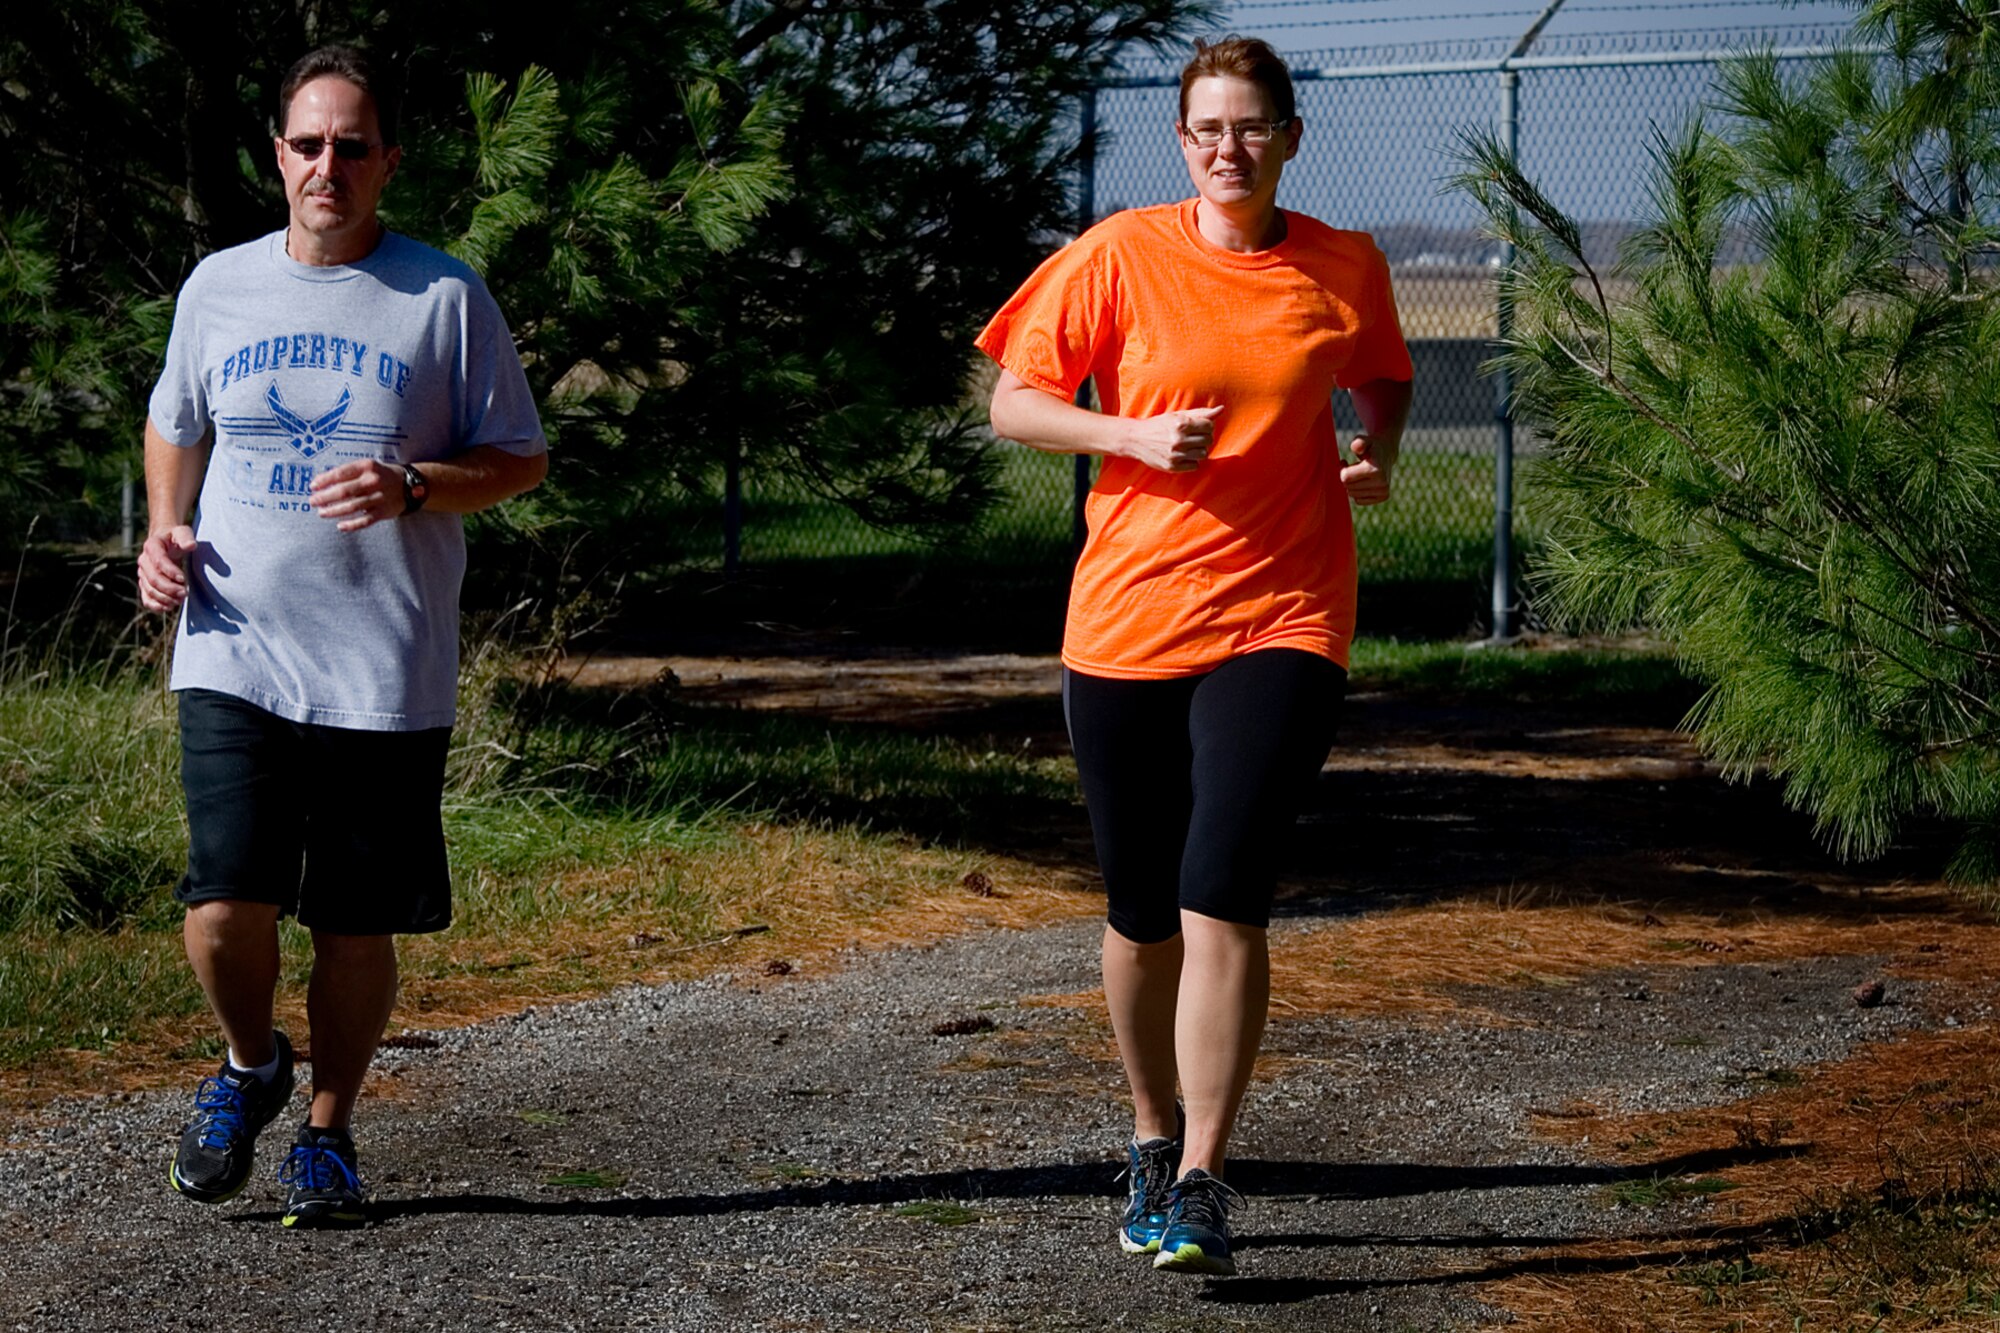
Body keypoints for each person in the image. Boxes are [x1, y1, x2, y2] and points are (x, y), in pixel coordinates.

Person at [977, 35, 1412, 1275]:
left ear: (1287, 136)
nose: (1228, 148)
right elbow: (1013, 400)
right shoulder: (1117, 253)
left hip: (1282, 613)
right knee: (1138, 909)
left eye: (1250, 126)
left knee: (1218, 887)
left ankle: (1209, 1176)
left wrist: (1376, 448)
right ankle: (1150, 1131)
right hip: (1125, 619)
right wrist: (1123, 431)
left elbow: (1383, 374)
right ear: (1181, 142)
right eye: (1204, 129)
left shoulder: (1343, 264)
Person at [136, 43, 548, 1229]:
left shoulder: (443, 296)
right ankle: (249, 1061)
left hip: (381, 664)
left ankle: (326, 1127)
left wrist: (417, 485)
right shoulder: (218, 286)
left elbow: (518, 457)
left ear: (387, 163)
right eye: (308, 144)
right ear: (277, 157)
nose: (329, 165)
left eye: (352, 146)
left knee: (353, 923)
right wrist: (164, 530)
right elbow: (176, 417)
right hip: (232, 640)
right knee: (225, 901)